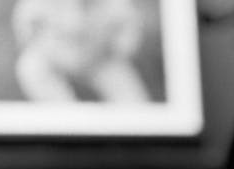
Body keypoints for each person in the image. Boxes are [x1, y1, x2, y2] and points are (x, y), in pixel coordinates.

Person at [11, 0, 151, 103]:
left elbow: (129, 26)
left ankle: (138, 133)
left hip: (99, 59)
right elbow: (25, 24)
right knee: (31, 66)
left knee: (131, 97)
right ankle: (64, 118)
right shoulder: (38, 3)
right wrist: (39, 42)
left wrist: (120, 46)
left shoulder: (113, 4)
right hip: (56, 56)